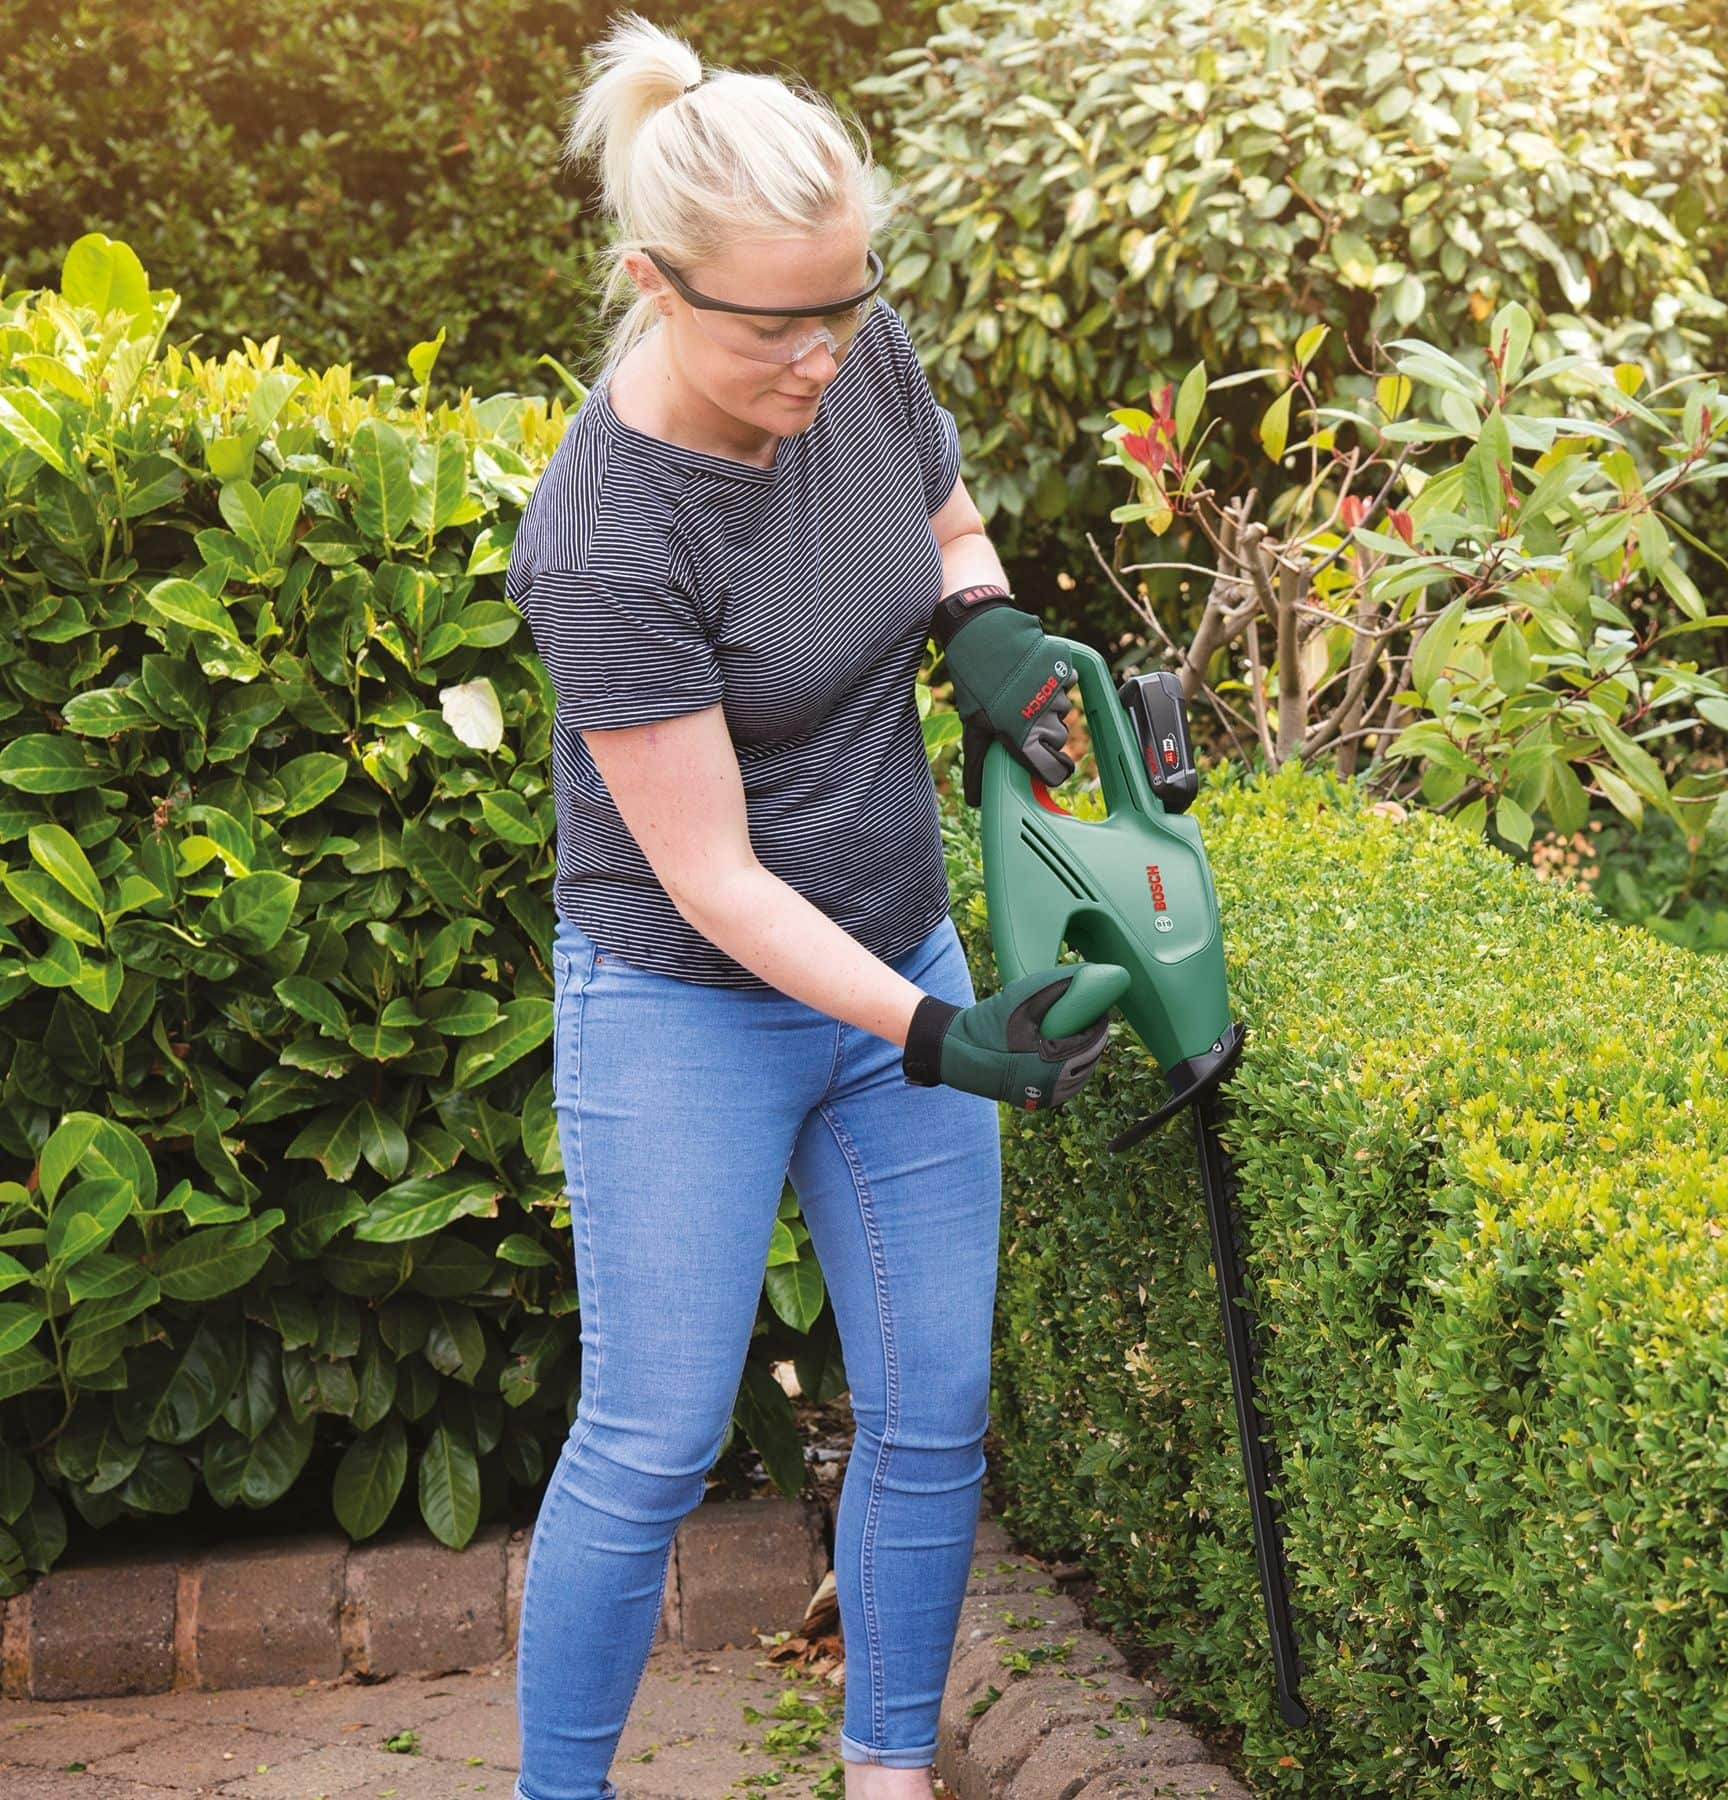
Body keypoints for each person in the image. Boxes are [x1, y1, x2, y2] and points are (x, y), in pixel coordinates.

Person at [505, 16, 1107, 1799]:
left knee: (934, 1410)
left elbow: (944, 523)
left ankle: (889, 1774)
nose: (822, 354)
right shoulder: (609, 536)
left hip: (898, 940)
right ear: (655, 283)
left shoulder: (853, 353)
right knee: (654, 1434)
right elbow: (709, 876)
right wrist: (935, 1034)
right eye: (778, 321)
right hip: (689, 1004)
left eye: (846, 304)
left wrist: (982, 617)